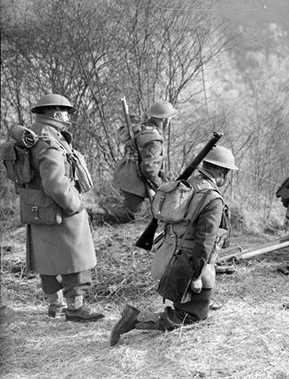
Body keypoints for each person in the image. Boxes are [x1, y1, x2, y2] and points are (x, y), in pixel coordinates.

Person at [110, 145, 237, 346]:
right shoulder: (212, 199)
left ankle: (194, 303)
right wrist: (196, 276)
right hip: (187, 264)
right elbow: (205, 242)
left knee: (198, 306)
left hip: (169, 256)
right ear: (223, 173)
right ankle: (136, 318)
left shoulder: (186, 185)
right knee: (193, 317)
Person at [18, 94, 103, 322]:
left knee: (48, 259)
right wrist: (75, 204)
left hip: (39, 209)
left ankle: (54, 306)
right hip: (61, 209)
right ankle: (75, 309)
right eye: (65, 113)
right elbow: (55, 183)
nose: (67, 117)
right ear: (56, 114)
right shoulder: (49, 142)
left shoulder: (33, 136)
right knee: (76, 259)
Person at [97, 100, 177, 224]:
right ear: (165, 120)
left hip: (128, 173)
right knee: (130, 214)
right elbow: (149, 167)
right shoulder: (153, 137)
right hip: (133, 178)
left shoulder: (144, 128)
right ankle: (93, 215)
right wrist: (160, 186)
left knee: (133, 211)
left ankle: (96, 214)